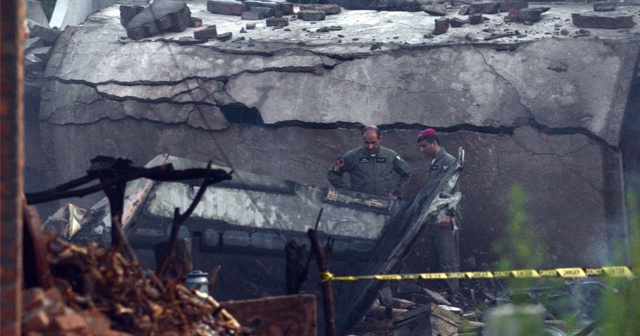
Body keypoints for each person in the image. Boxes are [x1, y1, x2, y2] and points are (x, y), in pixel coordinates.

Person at [417, 128, 462, 298]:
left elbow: (454, 190)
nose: (422, 150)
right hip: (434, 215)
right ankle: (439, 296)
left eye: (424, 146)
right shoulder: (434, 162)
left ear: (434, 143)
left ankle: (453, 294)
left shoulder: (449, 161)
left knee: (448, 257)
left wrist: (449, 214)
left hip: (446, 215)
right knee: (436, 257)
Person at [328, 126, 411, 199]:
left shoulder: (390, 155)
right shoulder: (352, 156)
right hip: (359, 203)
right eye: (366, 143)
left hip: (383, 203)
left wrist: (397, 193)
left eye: (373, 142)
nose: (370, 146)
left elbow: (406, 173)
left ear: (380, 139)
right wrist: (346, 192)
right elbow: (332, 173)